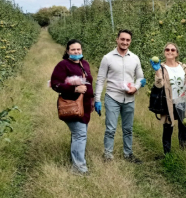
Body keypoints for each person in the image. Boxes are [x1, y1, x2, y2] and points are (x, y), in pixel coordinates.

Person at [94, 29, 146, 163]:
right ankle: (108, 155)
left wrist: (136, 87)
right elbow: (100, 79)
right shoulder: (107, 58)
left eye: (127, 40)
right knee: (110, 128)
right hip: (113, 97)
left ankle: (128, 154)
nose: (125, 42)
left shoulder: (135, 58)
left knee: (128, 129)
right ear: (117, 39)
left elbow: (140, 77)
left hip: (129, 98)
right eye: (122, 39)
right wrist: (97, 99)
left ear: (130, 41)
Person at [50, 39, 94, 175]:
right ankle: (79, 168)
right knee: (80, 135)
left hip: (84, 106)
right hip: (71, 105)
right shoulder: (63, 65)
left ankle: (75, 161)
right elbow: (55, 84)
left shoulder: (84, 63)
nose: (76, 52)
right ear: (68, 51)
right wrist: (74, 89)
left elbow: (89, 84)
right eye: (73, 49)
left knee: (79, 134)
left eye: (78, 49)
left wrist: (92, 99)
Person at [150, 42, 186, 156]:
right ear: (164, 52)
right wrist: (157, 71)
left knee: (183, 126)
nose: (170, 52)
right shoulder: (162, 67)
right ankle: (167, 154)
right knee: (168, 127)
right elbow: (159, 85)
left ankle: (183, 150)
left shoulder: (183, 66)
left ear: (177, 53)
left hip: (182, 101)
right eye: (167, 50)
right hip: (168, 102)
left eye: (173, 50)